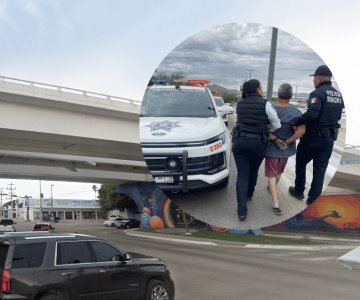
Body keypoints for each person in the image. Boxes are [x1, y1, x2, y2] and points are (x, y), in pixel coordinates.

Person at [288, 65, 344, 205]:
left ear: (318, 78)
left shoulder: (317, 93)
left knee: (300, 162)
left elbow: (312, 114)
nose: (313, 80)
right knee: (320, 170)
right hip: (329, 139)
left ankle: (299, 191)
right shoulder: (338, 95)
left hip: (313, 139)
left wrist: (296, 121)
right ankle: (313, 200)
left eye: (314, 78)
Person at [232, 79, 281, 221]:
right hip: (258, 143)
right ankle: (249, 194)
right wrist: (266, 130)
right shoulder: (265, 103)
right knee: (253, 171)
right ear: (258, 90)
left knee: (242, 175)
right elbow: (276, 124)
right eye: (261, 87)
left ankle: (242, 210)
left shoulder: (239, 103)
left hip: (240, 142)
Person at [265, 83, 305, 215]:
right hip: (286, 149)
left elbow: (264, 129)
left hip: (271, 146)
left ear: (278, 94)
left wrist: (275, 139)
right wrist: (286, 141)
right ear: (291, 96)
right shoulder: (296, 112)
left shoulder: (270, 109)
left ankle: (275, 203)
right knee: (278, 171)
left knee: (271, 173)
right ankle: (273, 189)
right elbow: (300, 132)